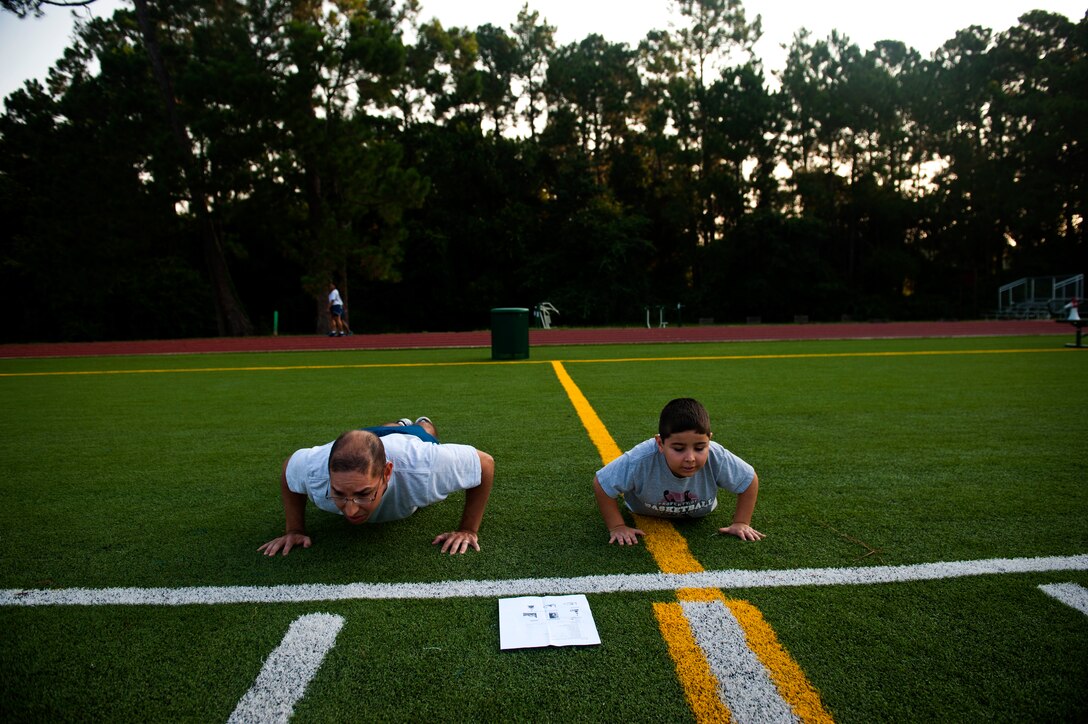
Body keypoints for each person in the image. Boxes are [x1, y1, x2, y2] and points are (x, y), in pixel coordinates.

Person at [259, 417, 495, 556]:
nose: (350, 511)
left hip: (410, 442)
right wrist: (294, 530)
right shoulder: (314, 469)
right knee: (373, 434)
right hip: (366, 438)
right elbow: (290, 467)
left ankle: (420, 424)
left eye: (364, 493)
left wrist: (468, 529)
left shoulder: (424, 466)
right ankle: (395, 424)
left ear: (387, 473)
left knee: (423, 432)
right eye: (339, 494)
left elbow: (484, 464)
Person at [593, 398, 764, 545]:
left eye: (699, 447)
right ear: (660, 443)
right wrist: (617, 526)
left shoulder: (716, 455)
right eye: (678, 448)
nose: (690, 458)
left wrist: (741, 522)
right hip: (642, 512)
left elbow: (748, 480)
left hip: (699, 515)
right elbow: (602, 483)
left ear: (709, 440)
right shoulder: (640, 459)